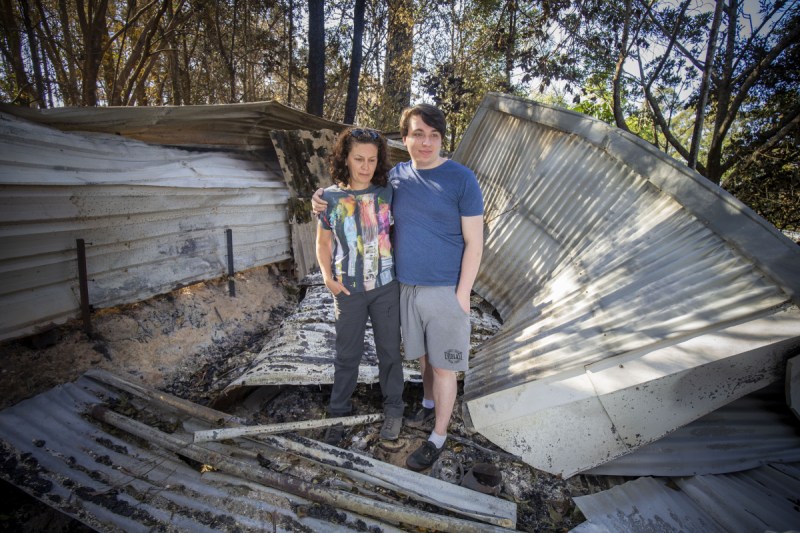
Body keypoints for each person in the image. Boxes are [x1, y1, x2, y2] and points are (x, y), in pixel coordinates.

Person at [313, 105, 484, 471]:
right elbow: (333, 221)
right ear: (404, 139)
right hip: (400, 287)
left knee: (434, 364)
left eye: (434, 135)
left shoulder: (457, 179)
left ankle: (435, 433)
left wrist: (463, 294)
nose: (426, 142)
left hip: (432, 289)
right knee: (417, 357)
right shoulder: (395, 180)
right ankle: (418, 406)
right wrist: (319, 198)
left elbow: (475, 241)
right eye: (418, 134)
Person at [316, 127, 405, 446]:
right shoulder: (328, 198)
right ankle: (338, 413)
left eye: (372, 159)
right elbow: (323, 243)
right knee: (346, 355)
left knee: (390, 352)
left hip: (385, 287)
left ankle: (394, 409)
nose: (365, 166)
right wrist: (327, 277)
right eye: (358, 159)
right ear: (345, 158)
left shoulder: (388, 191)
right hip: (348, 290)